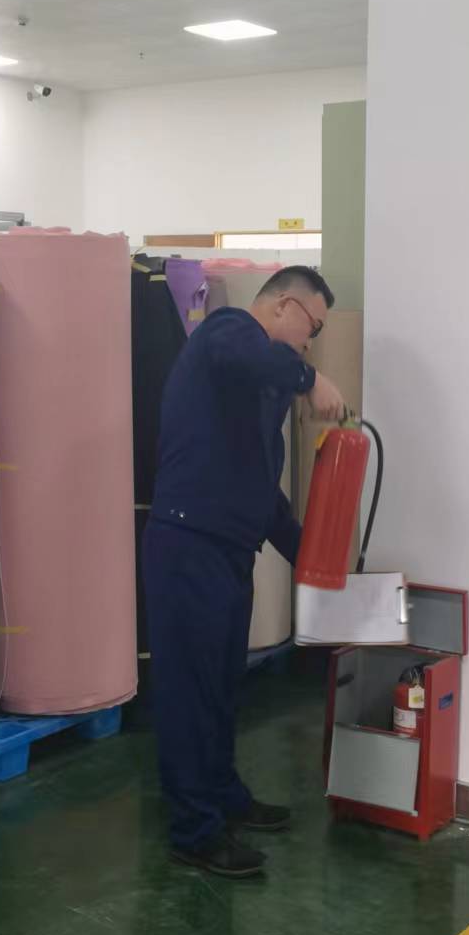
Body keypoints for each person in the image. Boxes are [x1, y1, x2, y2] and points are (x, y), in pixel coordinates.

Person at [143, 266, 346, 880]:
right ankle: (195, 831)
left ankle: (223, 795)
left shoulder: (258, 388)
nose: (309, 344)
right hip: (188, 547)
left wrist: (315, 559)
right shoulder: (226, 334)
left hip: (228, 554)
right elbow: (250, 355)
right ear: (283, 305)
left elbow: (261, 492)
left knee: (221, 685)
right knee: (189, 693)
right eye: (312, 328)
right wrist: (310, 380)